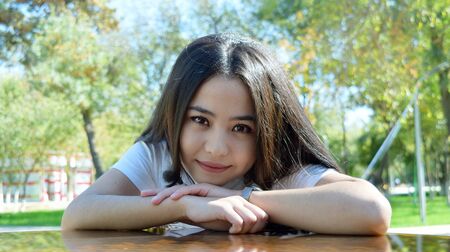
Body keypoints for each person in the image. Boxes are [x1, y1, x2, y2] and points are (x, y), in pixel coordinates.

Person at [61, 33, 391, 235]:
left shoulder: (278, 167)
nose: (217, 148)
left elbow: (371, 211)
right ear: (175, 116)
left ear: (266, 131)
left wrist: (242, 200)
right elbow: (78, 215)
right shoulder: (157, 153)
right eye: (200, 121)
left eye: (241, 128)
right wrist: (184, 207)